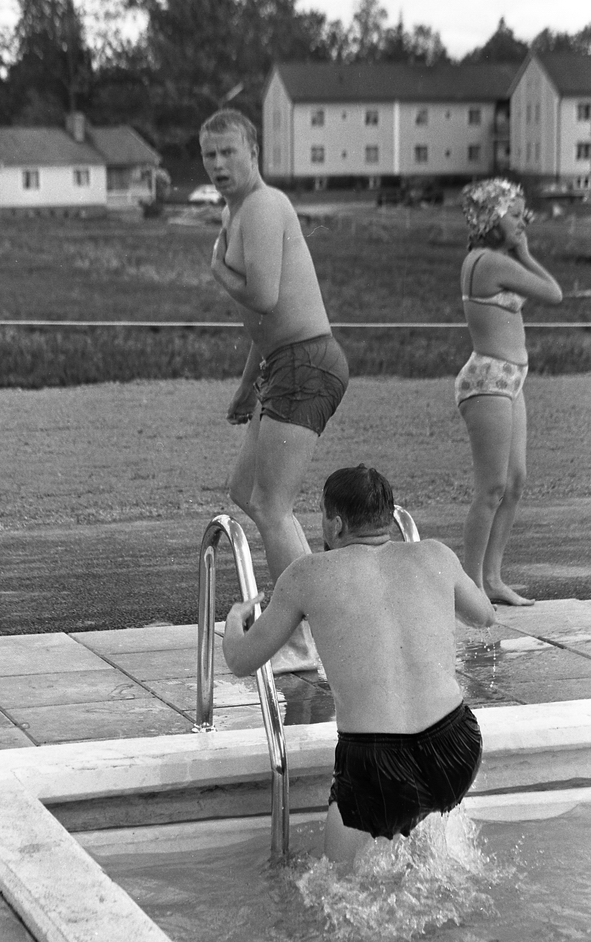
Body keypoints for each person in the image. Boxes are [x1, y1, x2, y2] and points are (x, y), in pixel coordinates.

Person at [223, 465, 495, 867]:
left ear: (335, 524)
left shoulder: (307, 574)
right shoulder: (436, 555)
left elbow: (241, 660)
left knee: (334, 885)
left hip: (376, 764)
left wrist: (234, 621)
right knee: (428, 861)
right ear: (388, 516)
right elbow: (485, 616)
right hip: (456, 747)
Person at [199, 109, 349, 672]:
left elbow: (262, 295)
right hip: (282, 362)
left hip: (307, 361)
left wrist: (218, 270)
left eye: (228, 152)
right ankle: (315, 614)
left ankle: (306, 638)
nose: (218, 164)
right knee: (246, 489)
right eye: (209, 154)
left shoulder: (264, 206)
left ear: (253, 152)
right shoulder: (234, 211)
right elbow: (263, 324)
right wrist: (247, 387)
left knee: (271, 503)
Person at [457, 178, 562, 606]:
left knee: (515, 482)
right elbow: (554, 293)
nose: (523, 223)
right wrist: (525, 252)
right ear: (490, 217)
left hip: (509, 379)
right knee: (492, 487)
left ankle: (493, 578)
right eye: (515, 215)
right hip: (488, 379)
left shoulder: (492, 259)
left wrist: (518, 247)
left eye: (524, 215)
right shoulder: (487, 262)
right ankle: (471, 587)